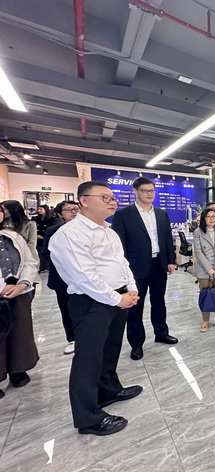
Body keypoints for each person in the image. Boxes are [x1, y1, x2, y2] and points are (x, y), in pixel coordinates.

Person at [50, 181, 142, 436]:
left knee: (110, 349)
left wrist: (131, 288)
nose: (112, 202)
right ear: (84, 200)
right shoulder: (70, 234)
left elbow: (122, 263)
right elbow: (83, 276)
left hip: (118, 296)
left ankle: (108, 391)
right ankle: (88, 418)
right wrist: (116, 298)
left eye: (113, 198)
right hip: (92, 302)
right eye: (105, 197)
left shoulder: (109, 231)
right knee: (88, 359)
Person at [112, 177, 178, 361]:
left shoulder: (161, 214)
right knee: (135, 306)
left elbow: (167, 239)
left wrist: (170, 260)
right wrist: (123, 269)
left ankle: (161, 333)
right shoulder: (124, 215)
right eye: (145, 191)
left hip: (159, 265)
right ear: (135, 191)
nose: (150, 194)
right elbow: (119, 245)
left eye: (152, 191)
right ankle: (136, 343)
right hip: (135, 267)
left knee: (159, 302)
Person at [0, 208, 39, 400]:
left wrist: (22, 283)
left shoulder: (12, 235)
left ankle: (18, 369)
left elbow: (29, 262)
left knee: (20, 333)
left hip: (18, 293)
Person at [42, 200, 80, 355]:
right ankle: (72, 339)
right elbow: (47, 253)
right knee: (67, 309)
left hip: (88, 278)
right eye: (68, 210)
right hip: (63, 279)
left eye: (76, 209)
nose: (73, 212)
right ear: (59, 214)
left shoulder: (89, 229)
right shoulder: (54, 231)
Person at [34, 204, 61, 272]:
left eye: (41, 209)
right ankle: (42, 267)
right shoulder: (35, 219)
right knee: (39, 253)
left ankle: (48, 266)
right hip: (38, 238)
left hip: (46, 237)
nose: (39, 210)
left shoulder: (52, 219)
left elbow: (50, 229)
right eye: (38, 209)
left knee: (47, 251)